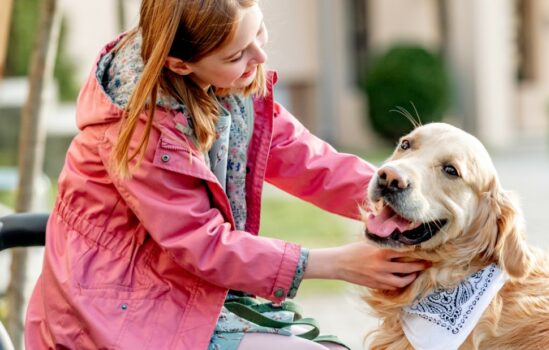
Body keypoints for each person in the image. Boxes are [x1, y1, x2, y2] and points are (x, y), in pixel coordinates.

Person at [24, 0, 429, 349]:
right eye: (236, 55)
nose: (259, 57)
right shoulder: (139, 132)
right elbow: (205, 246)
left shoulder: (227, 86)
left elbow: (310, 162)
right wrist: (336, 263)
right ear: (180, 64)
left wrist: (411, 196)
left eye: (260, 31)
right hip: (105, 314)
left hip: (171, 291)